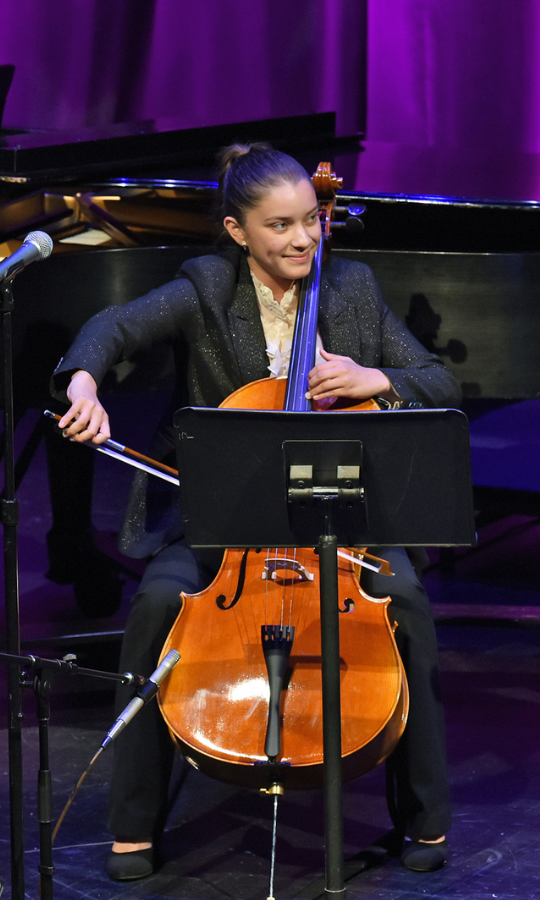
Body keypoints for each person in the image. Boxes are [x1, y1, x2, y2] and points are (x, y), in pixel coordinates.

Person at [50, 143, 461, 881]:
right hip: (229, 522)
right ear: (239, 232)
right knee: (154, 606)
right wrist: (82, 381)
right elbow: (115, 326)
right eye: (280, 226)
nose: (303, 239)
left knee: (406, 602)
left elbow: (439, 379)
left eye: (310, 221)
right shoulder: (207, 286)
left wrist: (378, 377)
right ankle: (135, 821)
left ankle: (423, 817)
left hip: (340, 519)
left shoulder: (354, 288)